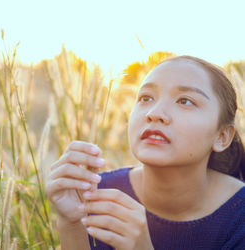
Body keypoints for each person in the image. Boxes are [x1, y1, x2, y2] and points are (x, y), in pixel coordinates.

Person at [46, 55, 245, 250]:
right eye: (146, 98)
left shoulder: (239, 217)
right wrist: (71, 224)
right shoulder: (94, 193)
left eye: (185, 101)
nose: (154, 113)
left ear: (222, 136)